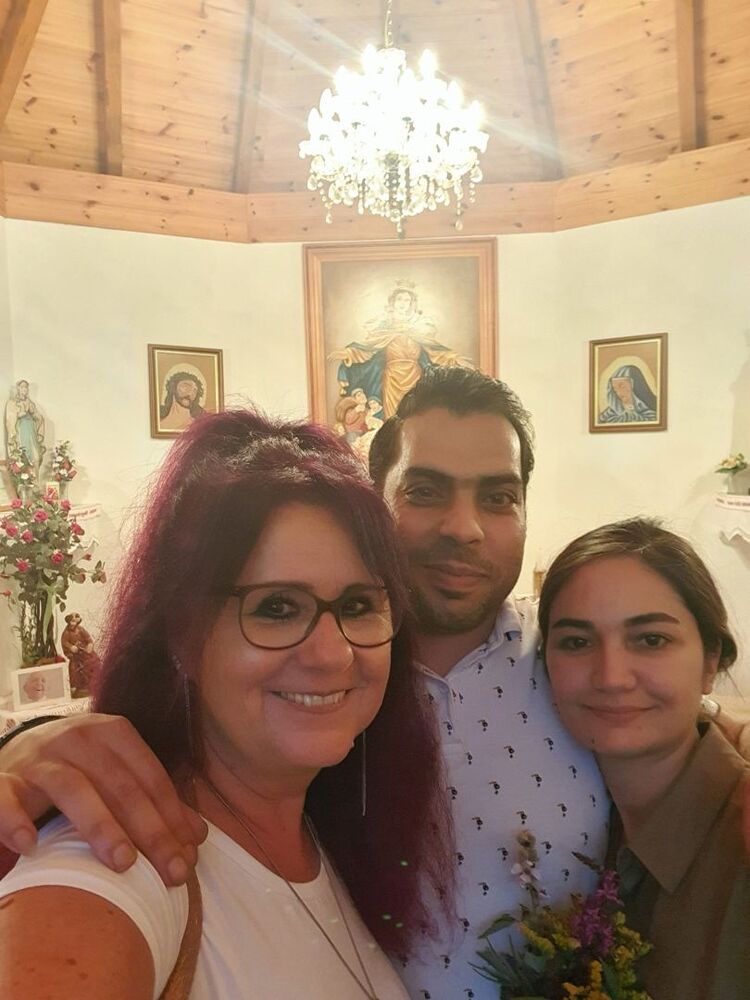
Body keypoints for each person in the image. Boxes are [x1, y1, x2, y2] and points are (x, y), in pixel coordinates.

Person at [0, 370, 744, 997]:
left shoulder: (569, 661)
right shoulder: (330, 709)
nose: (464, 528)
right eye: (425, 490)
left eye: (497, 496)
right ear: (376, 501)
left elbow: (673, 725)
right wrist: (32, 745)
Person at [0, 410, 454, 999]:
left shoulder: (328, 831)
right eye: (276, 607)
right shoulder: (117, 862)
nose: (333, 653)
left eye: (359, 605)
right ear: (182, 633)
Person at [539, 518, 750, 1000]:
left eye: (651, 639)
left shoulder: (740, 848)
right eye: (576, 642)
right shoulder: (563, 828)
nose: (612, 677)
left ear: (711, 660)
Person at [330, 281, 473, 418]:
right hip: (392, 377)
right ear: (393, 301)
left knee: (415, 413)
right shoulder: (384, 325)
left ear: (412, 303)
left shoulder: (420, 326)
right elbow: (368, 347)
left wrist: (454, 358)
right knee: (392, 417)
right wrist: (349, 353)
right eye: (399, 299)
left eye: (407, 300)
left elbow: (435, 350)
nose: (403, 303)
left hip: (415, 376)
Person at [5, 379, 45, 473]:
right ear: (18, 388)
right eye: (22, 387)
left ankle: (35, 478)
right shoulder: (12, 402)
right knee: (23, 453)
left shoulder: (30, 402)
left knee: (36, 455)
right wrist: (19, 414)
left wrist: (37, 416)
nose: (25, 389)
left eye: (26, 387)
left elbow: (37, 416)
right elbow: (10, 418)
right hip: (21, 430)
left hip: (31, 431)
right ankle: (25, 477)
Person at [61, 612, 102, 697]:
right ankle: (77, 687)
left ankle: (95, 682)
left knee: (94, 661)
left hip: (85, 651)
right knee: (74, 668)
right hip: (75, 654)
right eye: (72, 621)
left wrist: (89, 645)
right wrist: (71, 647)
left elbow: (88, 638)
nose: (73, 623)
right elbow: (64, 642)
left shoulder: (81, 629)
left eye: (75, 621)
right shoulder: (66, 633)